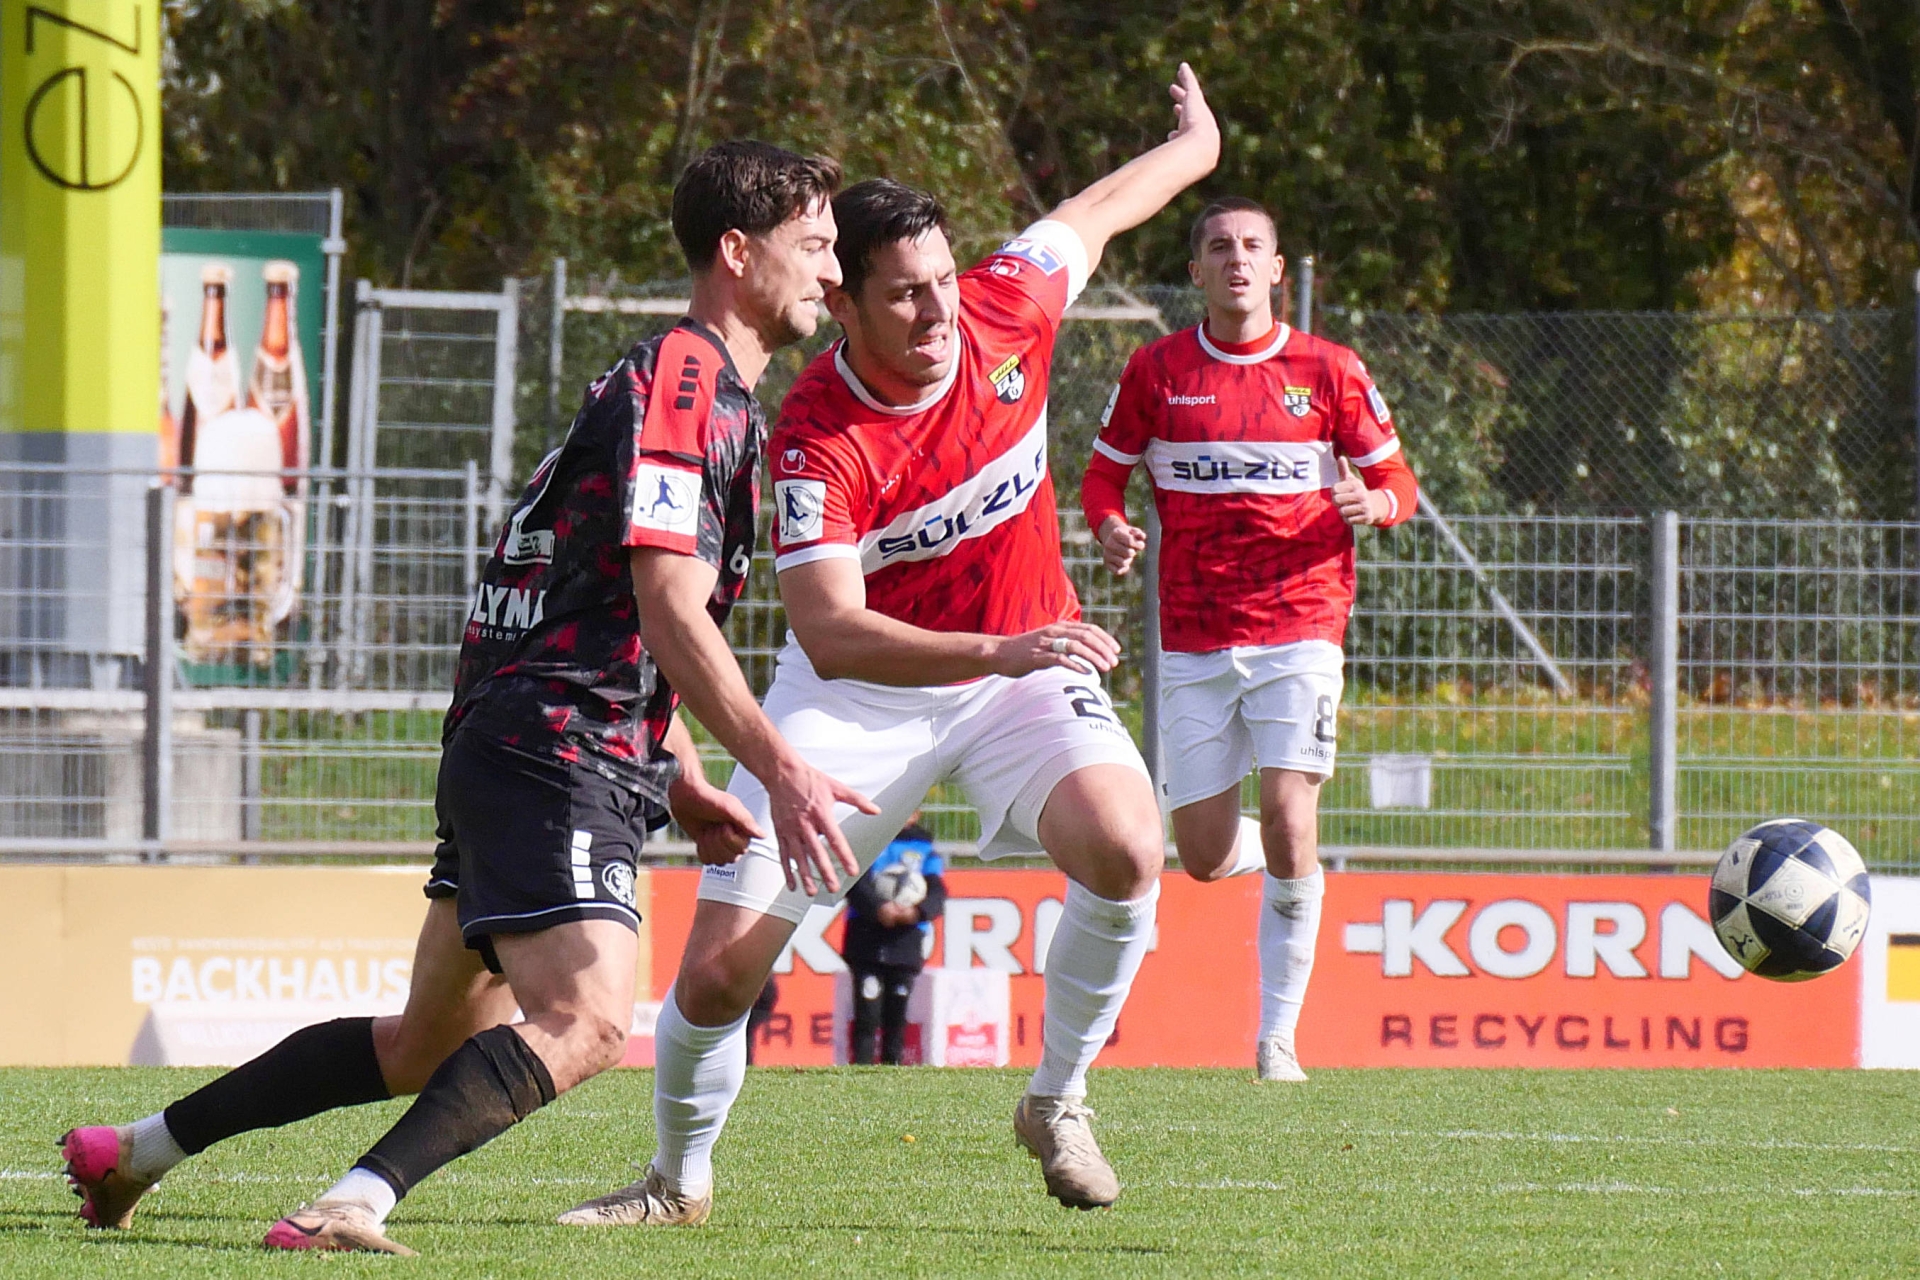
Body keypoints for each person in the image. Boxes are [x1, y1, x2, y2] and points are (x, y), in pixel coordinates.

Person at [57, 140, 873, 1255]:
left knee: (420, 1045)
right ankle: (350, 1204)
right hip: (558, 749)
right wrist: (777, 766)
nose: (832, 270)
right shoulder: (688, 381)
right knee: (587, 1020)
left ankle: (134, 1149)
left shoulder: (682, 385)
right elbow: (667, 603)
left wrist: (680, 773)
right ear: (737, 250)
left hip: (526, 736)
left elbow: (600, 605)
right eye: (815, 244)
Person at [559, 62, 1219, 1224]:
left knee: (1128, 845)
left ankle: (1056, 1099)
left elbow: (1105, 209)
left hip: (1019, 669)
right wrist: (999, 651)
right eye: (905, 295)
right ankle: (675, 1180)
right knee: (718, 967)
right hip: (865, 692)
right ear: (845, 304)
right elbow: (832, 629)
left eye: (943, 281)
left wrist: (1196, 144)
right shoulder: (817, 433)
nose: (938, 311)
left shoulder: (1009, 303)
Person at [1080, 195, 1419, 1082]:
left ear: (1276, 269)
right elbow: (1102, 478)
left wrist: (1377, 502)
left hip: (1303, 621)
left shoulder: (1329, 369)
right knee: (1199, 856)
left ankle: (1277, 1040)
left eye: (1253, 246)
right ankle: (1282, 849)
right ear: (1196, 271)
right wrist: (1108, 527)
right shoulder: (1157, 370)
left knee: (1290, 815)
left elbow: (1396, 478)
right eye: (1220, 246)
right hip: (1194, 635)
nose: (1237, 258)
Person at [842, 819, 947, 1064]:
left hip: (905, 941)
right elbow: (855, 883)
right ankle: (861, 1068)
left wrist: (917, 912)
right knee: (867, 1011)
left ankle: (893, 1066)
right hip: (866, 938)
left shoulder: (924, 849)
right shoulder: (868, 841)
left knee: (897, 1013)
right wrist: (877, 908)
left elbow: (937, 891)